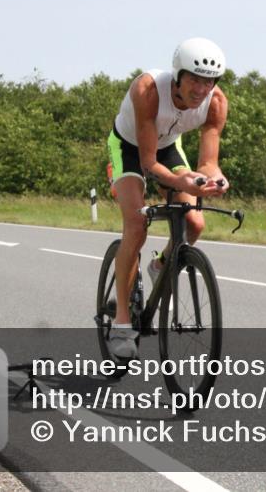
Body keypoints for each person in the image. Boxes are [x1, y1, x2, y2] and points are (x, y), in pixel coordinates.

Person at [105, 37, 230, 358]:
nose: (202, 89)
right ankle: (121, 320)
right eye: (196, 80)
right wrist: (180, 180)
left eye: (210, 82)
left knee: (194, 224)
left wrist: (212, 178)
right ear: (178, 75)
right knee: (136, 223)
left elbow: (208, 162)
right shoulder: (148, 90)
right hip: (130, 148)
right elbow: (148, 164)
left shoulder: (216, 103)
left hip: (168, 148)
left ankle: (161, 266)